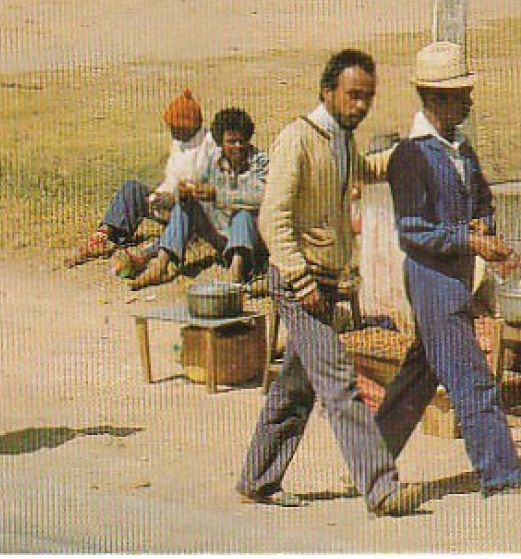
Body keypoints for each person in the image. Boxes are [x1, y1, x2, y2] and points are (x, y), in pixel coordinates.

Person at [238, 50, 419, 518]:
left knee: (295, 387)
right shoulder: (297, 139)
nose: (361, 106)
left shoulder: (340, 140)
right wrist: (301, 280)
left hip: (326, 283)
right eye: (354, 95)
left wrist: (413, 151)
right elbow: (271, 219)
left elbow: (363, 172)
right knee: (339, 378)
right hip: (300, 283)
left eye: (368, 98)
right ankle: (380, 486)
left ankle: (257, 478)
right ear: (328, 91)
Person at [375, 41, 521, 500]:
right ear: (436, 98)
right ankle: (501, 478)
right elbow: (413, 231)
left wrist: (484, 226)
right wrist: (469, 239)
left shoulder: (462, 150)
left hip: (457, 276)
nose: (469, 101)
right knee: (472, 378)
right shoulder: (410, 156)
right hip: (432, 279)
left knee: (421, 374)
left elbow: (481, 200)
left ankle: (367, 460)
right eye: (461, 94)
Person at [65, 89, 218, 274]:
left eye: (177, 129)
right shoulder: (179, 142)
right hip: (170, 202)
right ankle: (103, 237)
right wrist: (160, 194)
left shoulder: (211, 147)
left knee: (185, 208)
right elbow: (172, 177)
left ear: (191, 127)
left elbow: (209, 193)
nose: (173, 132)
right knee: (132, 189)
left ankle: (145, 257)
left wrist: (175, 198)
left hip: (194, 214)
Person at [129, 106, 268, 290]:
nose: (237, 146)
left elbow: (262, 197)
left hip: (251, 241)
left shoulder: (260, 162)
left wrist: (218, 195)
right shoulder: (212, 160)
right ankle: (161, 264)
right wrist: (185, 192)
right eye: (231, 142)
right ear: (220, 142)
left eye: (241, 141)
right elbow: (195, 182)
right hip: (220, 232)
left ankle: (236, 271)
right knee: (187, 203)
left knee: (244, 211)